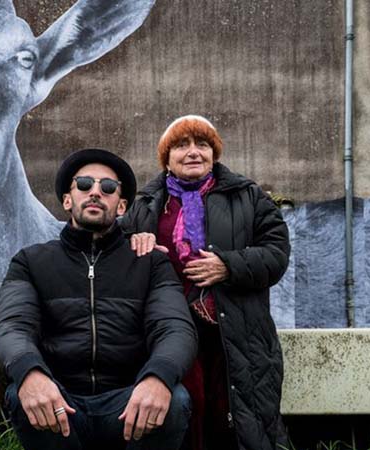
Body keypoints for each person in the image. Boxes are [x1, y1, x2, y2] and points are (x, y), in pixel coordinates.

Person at [0, 148, 197, 450]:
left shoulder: (149, 263)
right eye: (84, 184)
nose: (96, 192)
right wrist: (30, 372)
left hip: (128, 401)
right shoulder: (30, 262)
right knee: (20, 394)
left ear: (122, 205)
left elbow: (175, 328)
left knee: (175, 398)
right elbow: (12, 326)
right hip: (61, 399)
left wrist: (158, 377)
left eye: (108, 187)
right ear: (67, 200)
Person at [120, 115, 291, 450]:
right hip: (170, 334)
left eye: (203, 144)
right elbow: (116, 267)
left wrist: (228, 265)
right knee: (184, 415)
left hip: (238, 334)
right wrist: (134, 246)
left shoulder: (248, 196)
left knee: (239, 422)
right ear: (166, 158)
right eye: (182, 145)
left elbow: (277, 254)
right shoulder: (144, 207)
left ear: (215, 153)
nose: (193, 152)